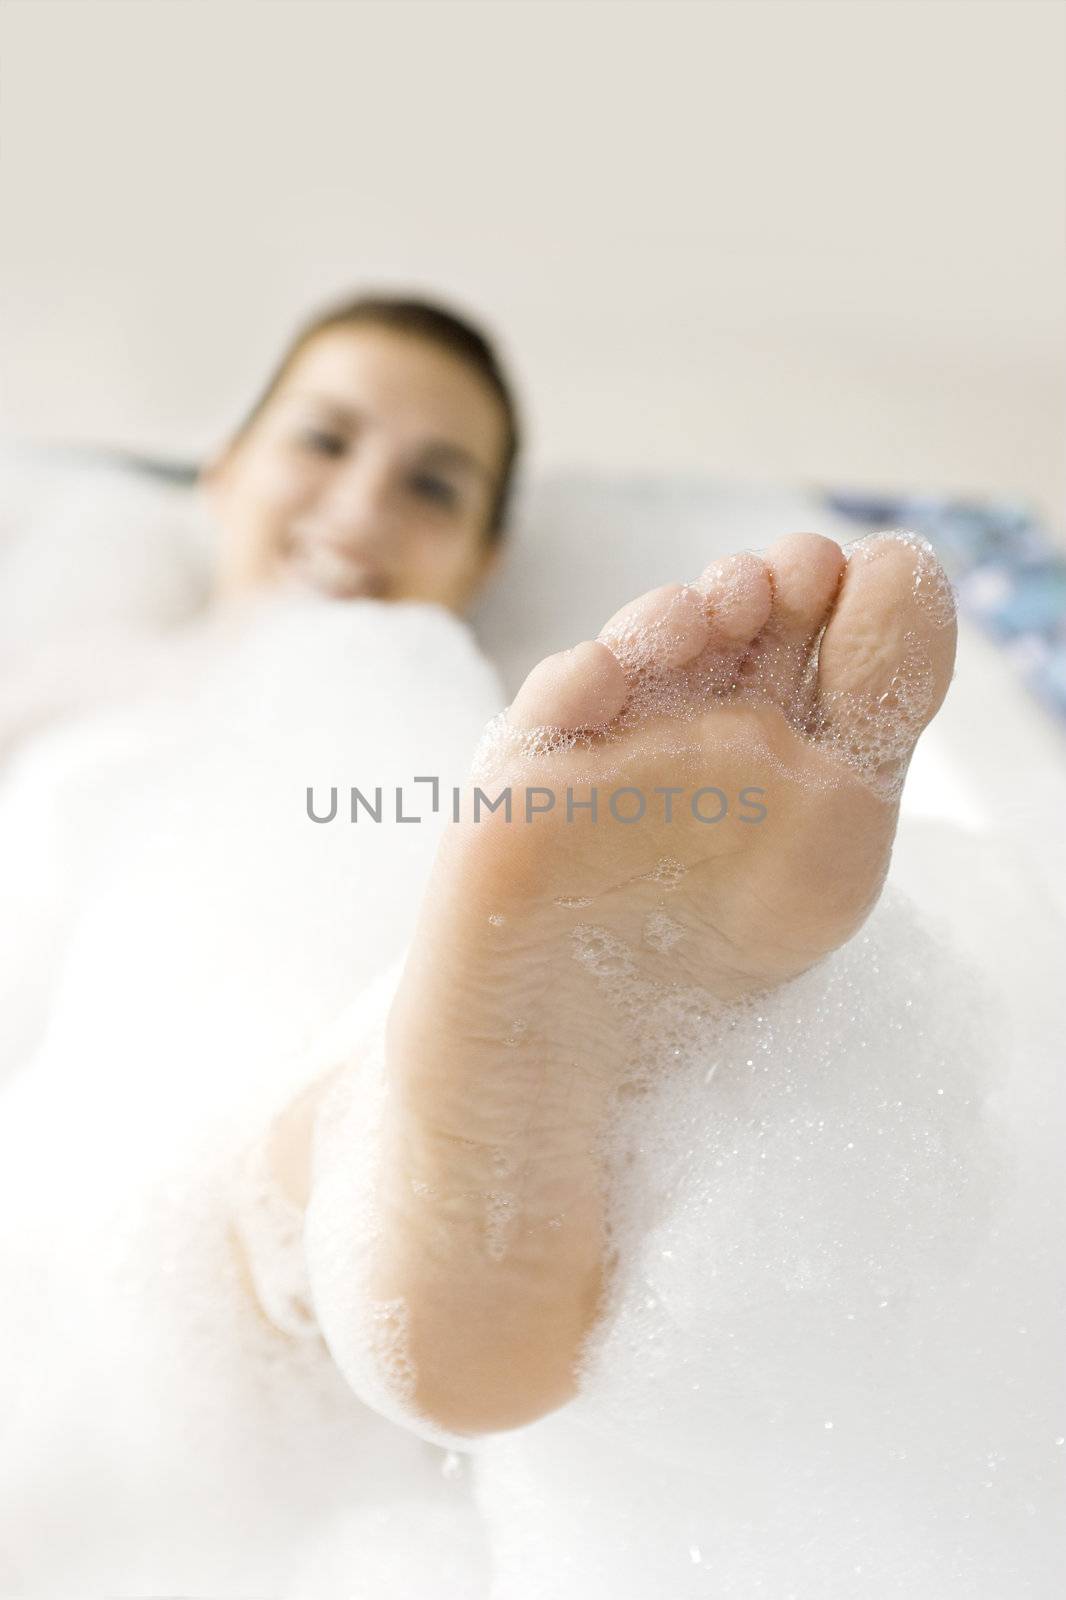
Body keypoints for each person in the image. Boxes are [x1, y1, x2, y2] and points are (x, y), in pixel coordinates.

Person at [0, 293, 1059, 1598]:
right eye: (323, 442)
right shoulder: (57, 678)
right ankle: (403, 1208)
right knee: (220, 1111)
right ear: (223, 470)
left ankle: (413, 1185)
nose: (365, 503)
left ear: (485, 560)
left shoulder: (490, 724)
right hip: (74, 1063)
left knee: (328, 1055)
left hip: (291, 1025)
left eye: (433, 485)